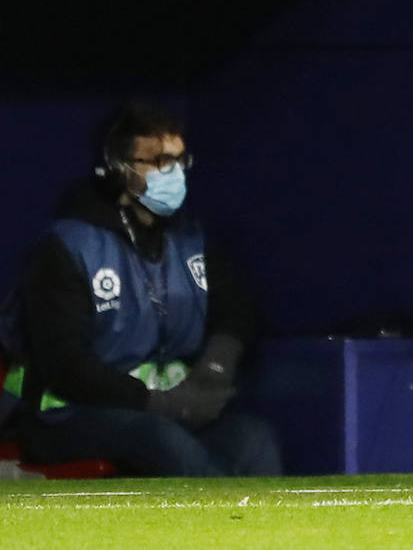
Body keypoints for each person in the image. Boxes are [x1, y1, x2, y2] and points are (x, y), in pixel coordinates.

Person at [1, 102, 281, 476]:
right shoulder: (67, 248)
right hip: (68, 414)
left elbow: (238, 311)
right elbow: (64, 365)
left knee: (254, 438)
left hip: (167, 408)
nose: (175, 173)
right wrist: (158, 404)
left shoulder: (190, 239)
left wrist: (212, 371)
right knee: (165, 443)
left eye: (181, 161)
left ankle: (259, 535)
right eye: (160, 162)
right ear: (119, 169)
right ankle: (210, 534)